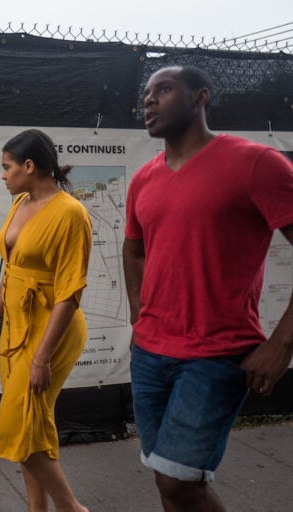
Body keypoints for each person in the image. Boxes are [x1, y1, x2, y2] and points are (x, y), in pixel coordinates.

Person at [123, 65, 293, 512]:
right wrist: (140, 317)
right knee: (166, 478)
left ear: (201, 97)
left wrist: (282, 344)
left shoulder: (255, 163)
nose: (150, 100)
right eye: (146, 94)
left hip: (216, 355)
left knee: (180, 484)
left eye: (164, 89)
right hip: (149, 354)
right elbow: (133, 250)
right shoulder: (144, 178)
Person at [0, 129, 92, 512]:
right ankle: (37, 509)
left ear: (29, 166)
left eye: (7, 167)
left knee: (17, 426)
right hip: (16, 325)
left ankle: (72, 509)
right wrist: (1, 306)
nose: (3, 175)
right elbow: (14, 261)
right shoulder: (20, 201)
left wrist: (41, 358)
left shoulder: (70, 213)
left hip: (52, 330)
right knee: (32, 425)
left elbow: (69, 292)